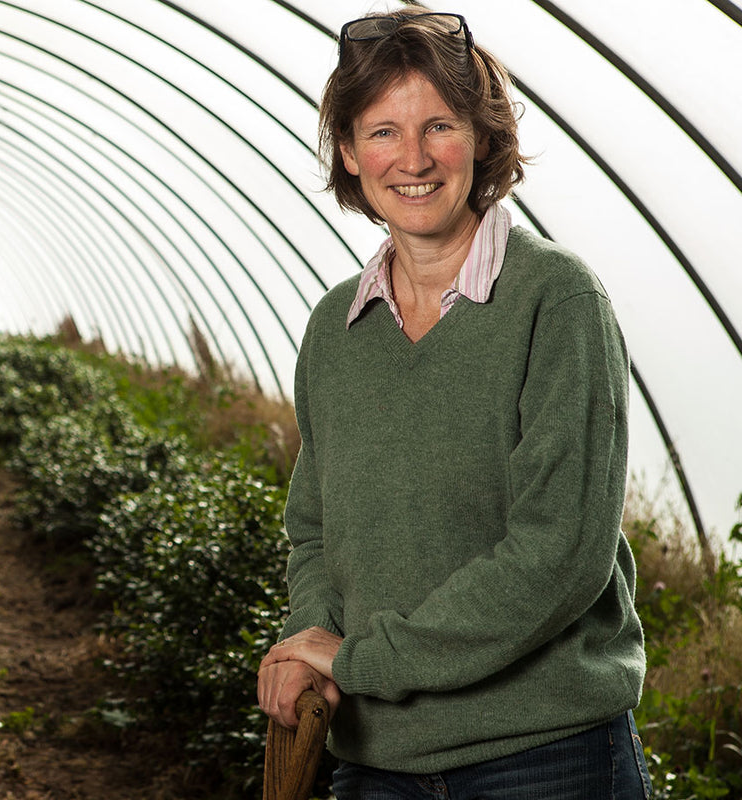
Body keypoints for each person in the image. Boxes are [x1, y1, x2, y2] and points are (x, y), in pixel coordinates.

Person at [254, 9, 651, 797]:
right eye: (381, 131)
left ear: (481, 137)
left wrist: (362, 660)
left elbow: (560, 553)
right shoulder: (336, 328)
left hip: (543, 758)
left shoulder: (555, 299)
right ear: (348, 151)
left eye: (439, 125)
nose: (413, 159)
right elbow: (316, 532)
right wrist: (311, 641)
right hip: (378, 764)